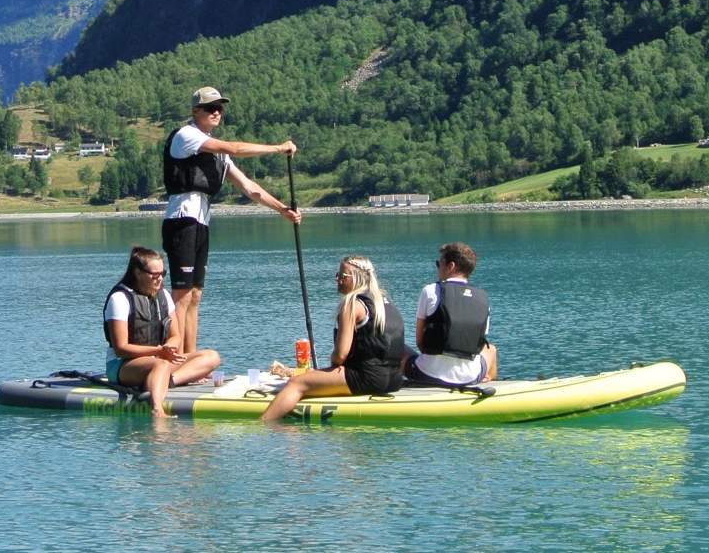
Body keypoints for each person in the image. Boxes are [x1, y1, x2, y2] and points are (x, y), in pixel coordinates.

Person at [162, 86, 299, 353]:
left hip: (201, 222)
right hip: (181, 219)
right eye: (210, 108)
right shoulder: (186, 135)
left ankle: (191, 356)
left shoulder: (218, 155)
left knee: (195, 295)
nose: (217, 112)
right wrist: (278, 148)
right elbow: (234, 148)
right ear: (195, 111)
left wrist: (282, 209)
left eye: (220, 108)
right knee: (182, 295)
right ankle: (176, 357)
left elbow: (250, 188)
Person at [261, 255, 407, 421]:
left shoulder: (352, 304)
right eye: (338, 275)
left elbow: (340, 355)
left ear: (357, 277)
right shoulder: (385, 302)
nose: (337, 280)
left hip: (367, 378)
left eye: (342, 276)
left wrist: (326, 369)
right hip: (394, 379)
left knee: (296, 383)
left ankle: (265, 425)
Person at [103, 246, 222, 417]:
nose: (159, 279)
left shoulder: (164, 295)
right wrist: (159, 352)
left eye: (162, 274)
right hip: (122, 365)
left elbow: (175, 335)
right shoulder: (119, 299)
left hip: (159, 358)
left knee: (211, 356)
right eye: (154, 275)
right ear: (138, 273)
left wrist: (169, 348)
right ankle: (157, 409)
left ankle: (165, 381)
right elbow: (121, 348)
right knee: (161, 365)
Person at [405, 241, 498, 387]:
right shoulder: (483, 298)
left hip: (429, 374)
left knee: (397, 349)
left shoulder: (430, 290)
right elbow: (480, 344)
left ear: (451, 266)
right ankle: (488, 382)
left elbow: (419, 341)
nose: (437, 268)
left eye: (439, 263)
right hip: (470, 377)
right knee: (491, 349)